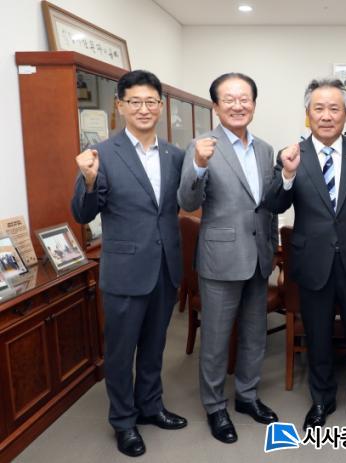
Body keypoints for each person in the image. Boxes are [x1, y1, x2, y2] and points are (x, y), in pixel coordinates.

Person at [71, 70, 187, 458]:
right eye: (134, 101)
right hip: (124, 271)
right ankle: (123, 421)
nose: (143, 109)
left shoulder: (174, 155)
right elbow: (83, 213)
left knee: (155, 346)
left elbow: (182, 203)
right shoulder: (102, 154)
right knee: (121, 352)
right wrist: (89, 181)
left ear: (161, 106)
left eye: (150, 101)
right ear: (119, 106)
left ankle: (150, 405)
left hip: (165, 268)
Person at [263, 78, 346, 430]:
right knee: (317, 336)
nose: (327, 115)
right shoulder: (291, 154)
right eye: (319, 108)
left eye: (334, 108)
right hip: (313, 261)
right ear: (308, 113)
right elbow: (275, 202)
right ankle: (321, 400)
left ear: (345, 114)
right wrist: (287, 174)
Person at [177, 72, 279, 445]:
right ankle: (215, 406)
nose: (238, 106)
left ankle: (247, 396)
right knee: (217, 340)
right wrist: (199, 165)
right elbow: (187, 201)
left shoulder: (265, 149)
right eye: (229, 99)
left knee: (255, 334)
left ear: (254, 103)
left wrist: (271, 246)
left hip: (258, 257)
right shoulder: (201, 146)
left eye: (244, 99)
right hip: (221, 258)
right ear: (216, 106)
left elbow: (268, 205)